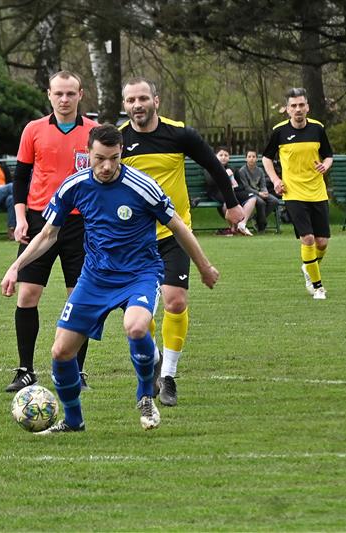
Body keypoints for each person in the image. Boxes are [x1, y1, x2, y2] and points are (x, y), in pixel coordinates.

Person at [1, 124, 219, 434]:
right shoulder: (74, 185)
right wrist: (16, 267)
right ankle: (74, 421)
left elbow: (178, 226)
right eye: (100, 158)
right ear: (87, 154)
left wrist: (204, 266)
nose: (107, 166)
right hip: (94, 278)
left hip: (139, 274)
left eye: (114, 158)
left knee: (136, 326)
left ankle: (145, 395)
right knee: (61, 352)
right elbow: (48, 234)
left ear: (121, 155)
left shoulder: (142, 185)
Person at [120, 77, 244, 407]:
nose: (137, 105)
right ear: (124, 105)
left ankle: (169, 376)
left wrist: (232, 204)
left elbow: (214, 166)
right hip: (134, 240)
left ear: (156, 101)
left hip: (175, 233)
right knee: (139, 317)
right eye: (131, 100)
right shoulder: (118, 140)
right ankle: (155, 357)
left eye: (143, 98)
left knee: (175, 302)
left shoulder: (179, 134)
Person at [5, 71, 99, 393]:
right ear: (49, 95)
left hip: (81, 224)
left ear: (80, 95)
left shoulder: (94, 133)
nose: (64, 99)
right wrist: (20, 218)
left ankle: (77, 371)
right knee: (28, 294)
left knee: (79, 299)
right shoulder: (33, 130)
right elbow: (20, 178)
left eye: (70, 93)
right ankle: (25, 370)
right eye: (58, 93)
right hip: (39, 221)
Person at [262, 87, 334, 300]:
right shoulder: (279, 131)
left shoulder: (318, 129)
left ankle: (308, 268)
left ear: (308, 107)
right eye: (293, 106)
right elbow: (266, 158)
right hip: (293, 193)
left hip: (317, 192)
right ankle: (318, 286)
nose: (298, 109)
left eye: (301, 105)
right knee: (308, 238)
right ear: (287, 109)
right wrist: (276, 180)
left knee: (322, 242)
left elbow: (329, 155)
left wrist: (325, 166)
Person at [204, 146, 256, 236]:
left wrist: (234, 185)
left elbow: (240, 185)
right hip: (217, 192)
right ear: (215, 156)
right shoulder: (210, 167)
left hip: (232, 191)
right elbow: (210, 182)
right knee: (228, 202)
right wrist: (224, 175)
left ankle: (242, 224)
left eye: (226, 155)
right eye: (221, 155)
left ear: (229, 157)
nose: (223, 157)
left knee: (252, 197)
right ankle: (233, 228)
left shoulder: (232, 168)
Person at [238, 148, 281, 233]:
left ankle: (257, 218)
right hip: (250, 194)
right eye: (249, 156)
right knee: (261, 202)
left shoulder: (260, 170)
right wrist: (259, 193)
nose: (251, 158)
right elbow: (246, 187)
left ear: (257, 158)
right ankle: (261, 226)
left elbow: (263, 184)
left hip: (260, 192)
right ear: (246, 158)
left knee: (275, 201)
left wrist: (265, 191)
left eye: (253, 156)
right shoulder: (242, 171)